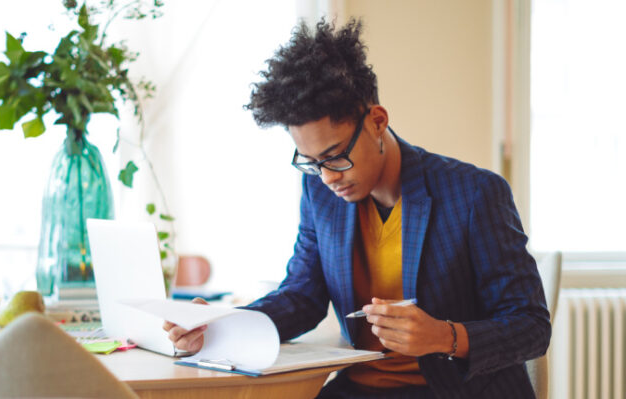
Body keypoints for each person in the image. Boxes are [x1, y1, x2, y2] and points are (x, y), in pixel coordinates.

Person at [163, 19, 551, 398]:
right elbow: (302, 295)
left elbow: (531, 326)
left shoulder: (474, 193)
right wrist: (222, 325)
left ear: (377, 121)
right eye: (311, 161)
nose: (327, 176)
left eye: (335, 156)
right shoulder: (318, 192)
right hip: (359, 389)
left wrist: (443, 336)